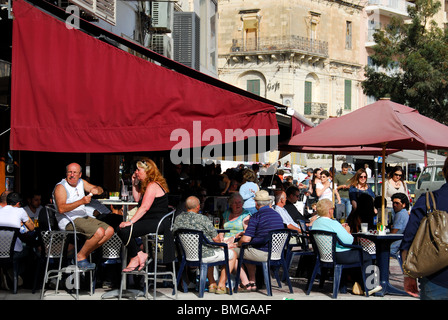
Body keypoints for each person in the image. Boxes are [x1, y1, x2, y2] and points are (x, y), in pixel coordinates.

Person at [311, 199, 381, 295]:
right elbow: (348, 241)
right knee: (366, 256)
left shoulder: (316, 223)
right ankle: (370, 286)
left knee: (357, 255)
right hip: (339, 255)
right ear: (330, 210)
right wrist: (347, 231)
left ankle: (358, 285)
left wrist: (340, 228)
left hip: (325, 255)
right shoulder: (333, 223)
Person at [401, 157, 448, 300]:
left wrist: (409, 275)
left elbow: (409, 240)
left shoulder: (428, 201)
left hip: (435, 278)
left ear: (444, 172)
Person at [53, 163, 114, 269]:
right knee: (99, 232)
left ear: (80, 174)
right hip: (69, 220)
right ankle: (80, 257)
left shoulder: (81, 182)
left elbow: (98, 189)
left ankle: (82, 254)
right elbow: (61, 209)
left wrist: (97, 189)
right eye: (69, 172)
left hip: (83, 217)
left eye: (75, 172)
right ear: (66, 173)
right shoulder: (61, 187)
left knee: (109, 231)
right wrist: (81, 201)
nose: (72, 175)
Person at [173, 196, 238, 294]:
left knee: (208, 248)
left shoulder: (178, 219)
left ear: (186, 206)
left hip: (187, 255)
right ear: (198, 207)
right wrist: (224, 244)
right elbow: (216, 239)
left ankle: (212, 284)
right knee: (232, 254)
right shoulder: (203, 218)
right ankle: (221, 285)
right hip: (204, 255)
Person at [118, 158, 175, 271]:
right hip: (151, 221)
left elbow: (144, 208)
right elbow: (138, 200)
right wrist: (135, 184)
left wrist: (130, 222)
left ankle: (135, 256)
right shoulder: (149, 185)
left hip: (157, 222)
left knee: (124, 230)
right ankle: (139, 254)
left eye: (138, 170)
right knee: (121, 229)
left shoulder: (153, 185)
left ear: (147, 171)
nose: (136, 172)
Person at [237, 190, 285, 291]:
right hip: (277, 253)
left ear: (256, 203)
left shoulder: (257, 216)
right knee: (248, 249)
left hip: (263, 253)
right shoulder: (277, 215)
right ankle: (252, 281)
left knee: (231, 252)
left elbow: (246, 240)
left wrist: (238, 243)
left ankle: (245, 283)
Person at [0, 192, 35, 286]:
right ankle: (19, 277)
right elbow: (32, 228)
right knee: (30, 252)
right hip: (13, 253)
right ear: (18, 203)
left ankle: (7, 270)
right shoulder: (20, 211)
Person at [389, 193, 409, 259]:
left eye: (397, 203)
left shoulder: (400, 214)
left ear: (403, 205)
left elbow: (393, 233)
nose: (394, 205)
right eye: (393, 203)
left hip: (393, 248)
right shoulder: (405, 212)